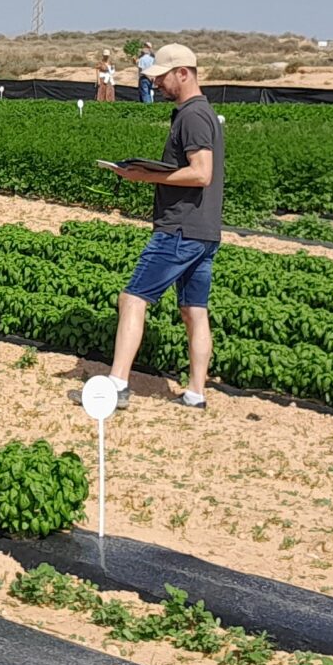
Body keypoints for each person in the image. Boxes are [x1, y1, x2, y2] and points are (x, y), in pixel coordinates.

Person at [103, 44, 220, 410]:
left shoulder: (192, 116)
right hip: (204, 230)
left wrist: (146, 176)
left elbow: (201, 173)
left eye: (163, 77)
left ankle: (117, 385)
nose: (157, 85)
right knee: (193, 309)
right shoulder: (202, 114)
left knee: (133, 298)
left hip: (179, 229)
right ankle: (195, 393)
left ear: (182, 73)